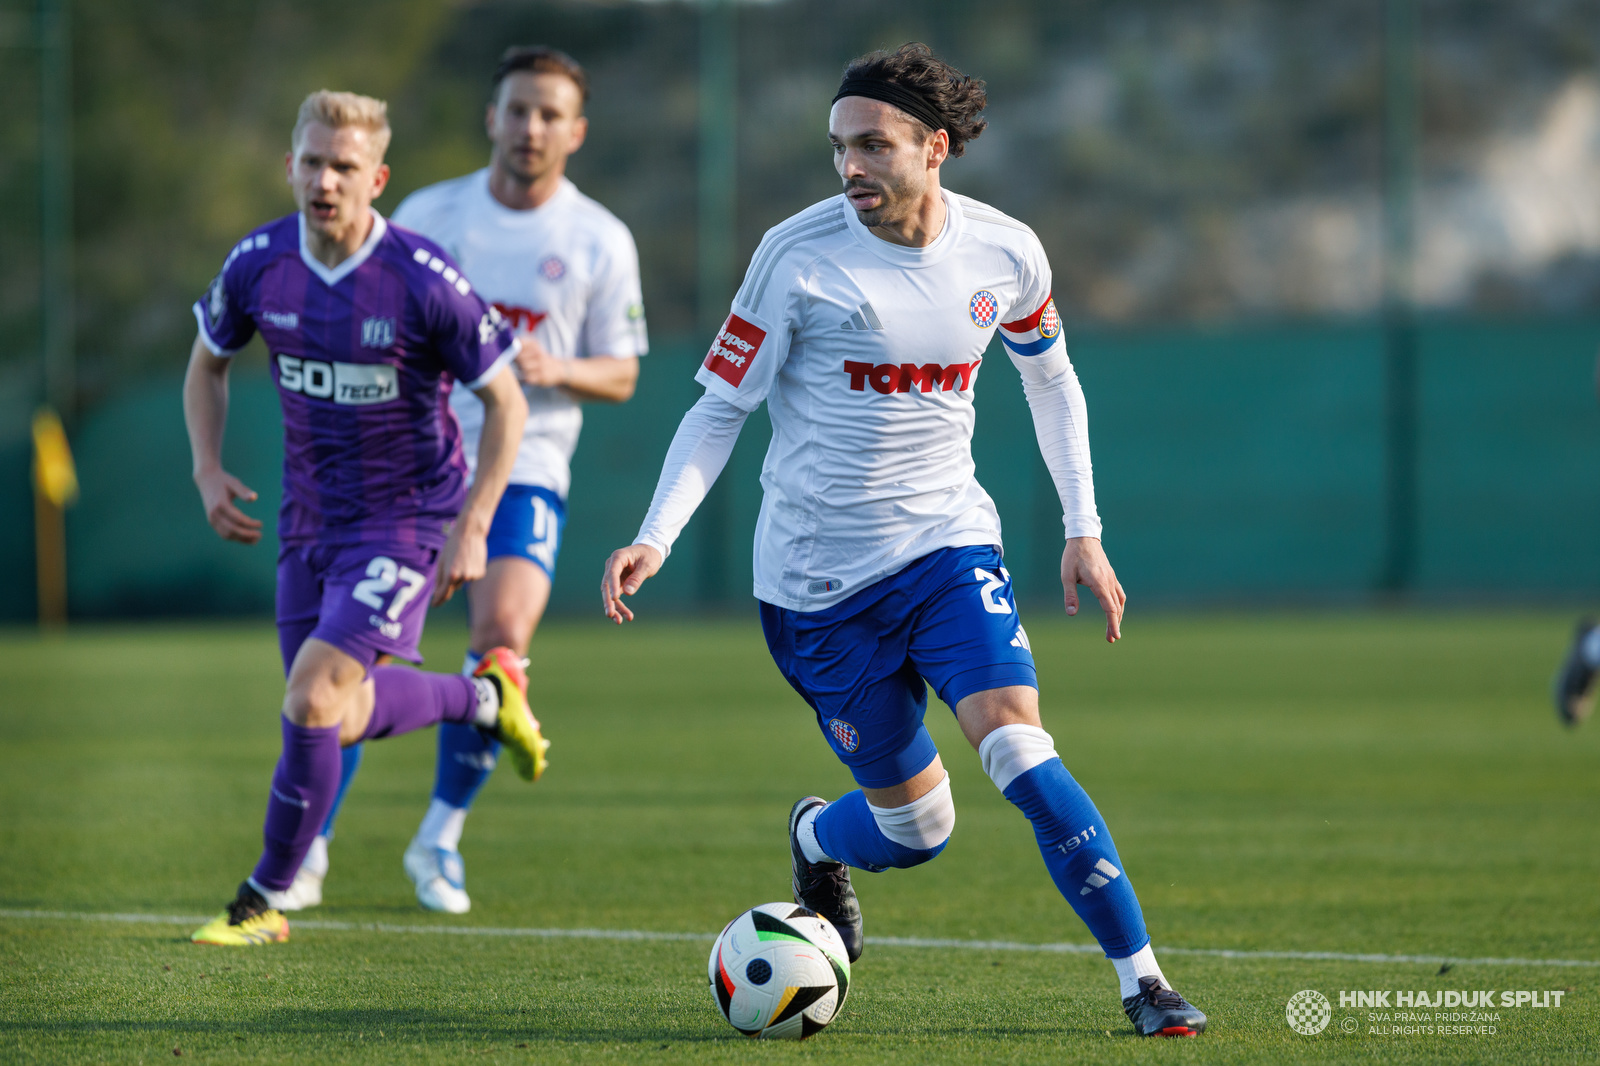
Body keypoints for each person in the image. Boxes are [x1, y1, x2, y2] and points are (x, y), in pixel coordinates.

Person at [600, 45, 1208, 1038]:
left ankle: (1142, 978)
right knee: (919, 829)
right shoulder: (794, 256)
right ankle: (814, 834)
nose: (851, 167)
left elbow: (1050, 379)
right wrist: (654, 533)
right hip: (814, 586)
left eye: (873, 146)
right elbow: (718, 410)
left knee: (1017, 743)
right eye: (839, 147)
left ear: (935, 147)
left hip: (945, 546)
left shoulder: (1006, 251)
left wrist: (1082, 531)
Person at [283, 47, 648, 915]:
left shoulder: (600, 237)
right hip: (405, 460)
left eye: (550, 114)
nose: (531, 128)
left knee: (504, 640)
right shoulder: (427, 213)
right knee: (348, 657)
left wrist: (553, 365)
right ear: (492, 117)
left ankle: (438, 838)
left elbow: (625, 373)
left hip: (523, 462)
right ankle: (310, 847)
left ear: (576, 131)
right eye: (517, 110)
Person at [182, 89, 548, 946]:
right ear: (290, 167)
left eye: (344, 167)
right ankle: (483, 700)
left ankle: (265, 897)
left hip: (406, 520)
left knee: (311, 696)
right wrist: (205, 468)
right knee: (339, 715)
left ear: (376, 178)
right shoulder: (259, 263)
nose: (325, 180)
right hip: (308, 524)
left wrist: (474, 522)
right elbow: (207, 365)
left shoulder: (420, 278)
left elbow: (507, 403)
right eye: (312, 162)